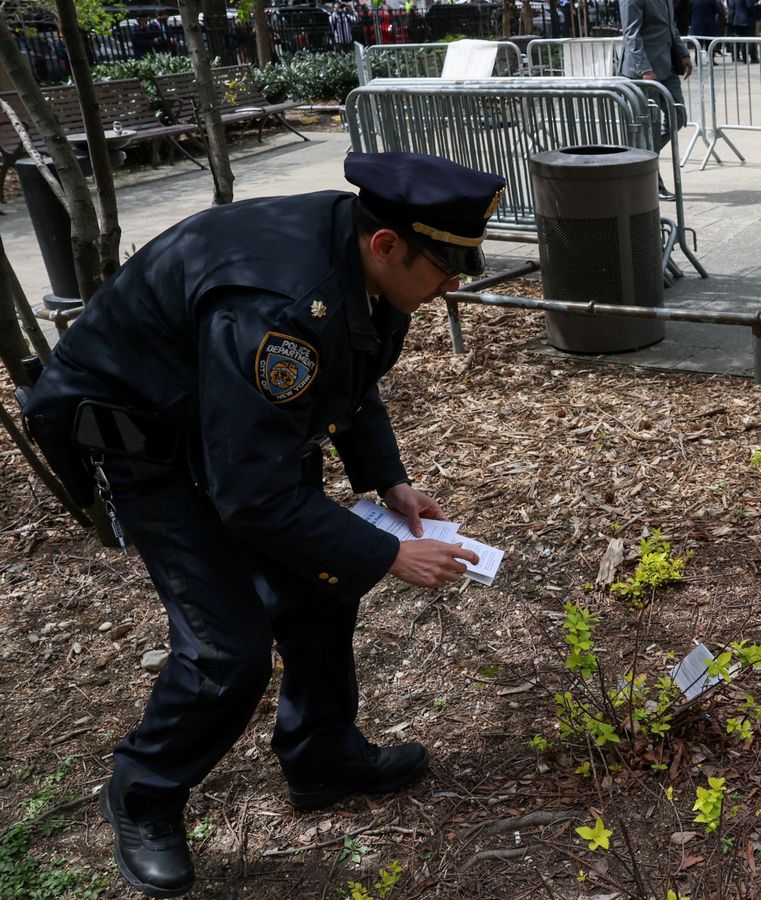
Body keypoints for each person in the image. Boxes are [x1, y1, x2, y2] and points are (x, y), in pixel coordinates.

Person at [20, 152, 505, 898]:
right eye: (445, 266)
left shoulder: (357, 260)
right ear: (387, 246)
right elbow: (249, 495)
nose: (454, 283)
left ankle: (322, 758)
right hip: (150, 446)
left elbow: (350, 377)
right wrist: (387, 554)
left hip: (239, 434)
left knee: (320, 582)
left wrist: (389, 481)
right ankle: (144, 795)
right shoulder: (280, 306)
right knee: (228, 648)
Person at [621, 0, 694, 197]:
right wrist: (644, 68)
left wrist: (683, 52)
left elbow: (671, 27)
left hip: (667, 66)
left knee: (678, 117)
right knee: (651, 128)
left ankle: (639, 157)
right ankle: (653, 183)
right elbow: (631, 33)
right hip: (645, 71)